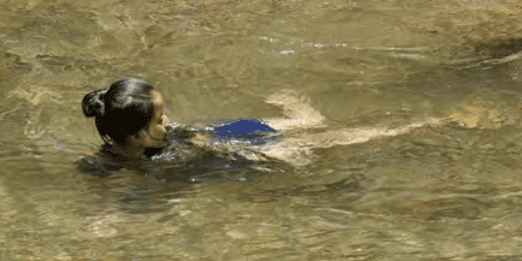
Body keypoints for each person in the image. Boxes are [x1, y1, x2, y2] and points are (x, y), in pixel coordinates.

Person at [80, 75, 463, 171]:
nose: (169, 120)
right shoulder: (107, 166)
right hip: (225, 146)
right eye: (161, 119)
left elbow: (193, 143)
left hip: (219, 139)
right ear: (133, 135)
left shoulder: (149, 142)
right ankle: (430, 120)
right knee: (335, 139)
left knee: (298, 133)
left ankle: (305, 119)